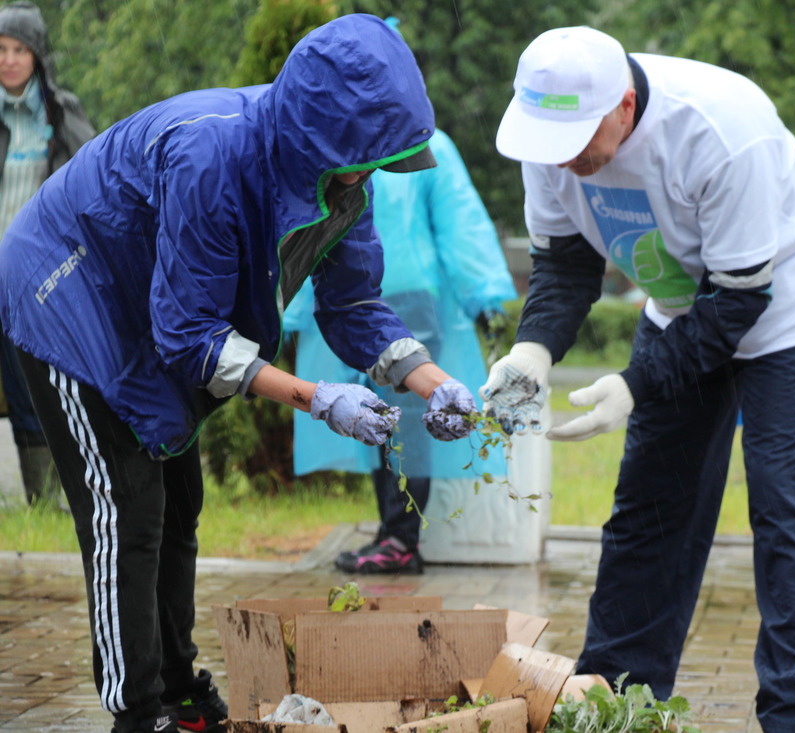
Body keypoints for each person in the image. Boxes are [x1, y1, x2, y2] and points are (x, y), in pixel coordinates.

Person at [0, 14, 479, 733]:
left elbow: (353, 306)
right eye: (361, 156)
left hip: (153, 307)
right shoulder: (212, 154)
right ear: (319, 130)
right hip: (66, 295)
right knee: (125, 509)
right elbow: (190, 335)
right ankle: (137, 711)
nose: (368, 172)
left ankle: (179, 686)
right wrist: (316, 397)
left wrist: (431, 379)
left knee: (179, 501)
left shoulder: (343, 182)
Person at [483, 26, 795, 732]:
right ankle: (617, 696)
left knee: (785, 508)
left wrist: (635, 384)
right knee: (650, 504)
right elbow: (565, 266)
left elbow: (740, 300)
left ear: (623, 106)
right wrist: (532, 351)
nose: (561, 159)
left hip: (791, 305)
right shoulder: (549, 143)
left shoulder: (719, 128)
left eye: (577, 140)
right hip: (684, 300)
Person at [284, 126, 516, 575]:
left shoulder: (419, 145)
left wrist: (485, 295)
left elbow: (458, 222)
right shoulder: (350, 142)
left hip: (407, 300)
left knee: (406, 427)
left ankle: (401, 539)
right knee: (376, 421)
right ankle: (391, 532)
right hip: (353, 294)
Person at [0, 0, 94, 507]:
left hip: (34, 277)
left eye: (19, 49)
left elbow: (90, 184)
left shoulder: (62, 115)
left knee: (32, 384)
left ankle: (49, 495)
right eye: (0, 49)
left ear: (37, 56)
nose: (9, 60)